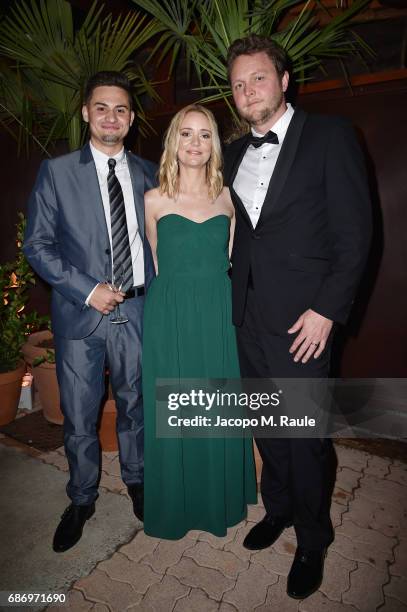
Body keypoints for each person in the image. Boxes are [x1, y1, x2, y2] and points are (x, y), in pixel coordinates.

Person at [223, 35, 372, 599]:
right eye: (238, 84)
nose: (247, 91)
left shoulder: (332, 136)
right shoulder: (234, 154)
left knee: (305, 432)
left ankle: (313, 537)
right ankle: (278, 508)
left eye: (257, 78)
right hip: (247, 316)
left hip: (305, 320)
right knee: (266, 424)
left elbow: (355, 235)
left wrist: (328, 312)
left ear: (284, 80)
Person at [23, 71, 157, 552]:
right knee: (79, 417)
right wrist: (87, 289)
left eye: (120, 109)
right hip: (81, 317)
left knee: (136, 406)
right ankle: (81, 498)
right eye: (102, 107)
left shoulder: (149, 172)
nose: (111, 117)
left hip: (140, 313)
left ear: (131, 118)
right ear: (86, 113)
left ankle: (138, 482)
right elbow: (36, 245)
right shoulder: (56, 172)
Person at [143, 104, 257, 539]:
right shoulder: (153, 199)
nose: (195, 143)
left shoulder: (229, 198)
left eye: (205, 135)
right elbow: (157, 261)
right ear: (174, 141)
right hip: (169, 315)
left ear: (215, 144)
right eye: (187, 134)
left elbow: (230, 259)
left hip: (216, 313)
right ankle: (174, 505)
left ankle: (217, 503)